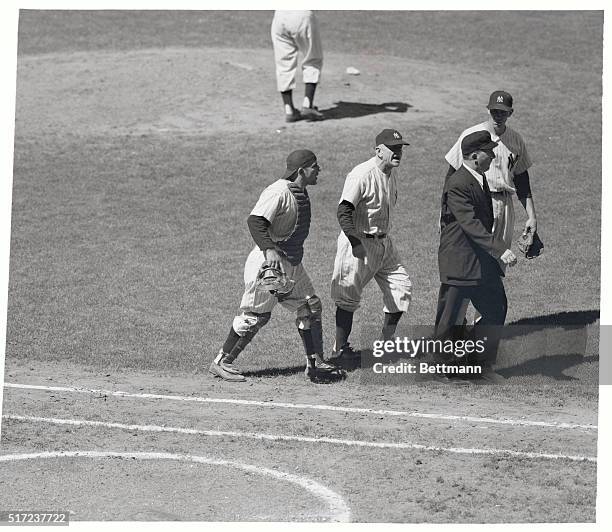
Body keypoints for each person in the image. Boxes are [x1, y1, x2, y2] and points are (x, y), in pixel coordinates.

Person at [210, 150, 335, 382]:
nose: (319, 170)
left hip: (291, 262)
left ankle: (314, 361)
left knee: (309, 306)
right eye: (315, 166)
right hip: (268, 262)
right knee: (255, 317)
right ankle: (221, 362)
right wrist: (269, 249)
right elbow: (255, 220)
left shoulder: (300, 191)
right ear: (301, 170)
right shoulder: (278, 191)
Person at [444, 90, 537, 324]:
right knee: (471, 264)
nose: (498, 116)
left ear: (510, 113)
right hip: (476, 203)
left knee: (494, 268)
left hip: (504, 205)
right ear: (488, 110)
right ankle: (459, 323)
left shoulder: (515, 140)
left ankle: (481, 326)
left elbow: (522, 180)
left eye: (503, 112)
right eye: (494, 111)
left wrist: (531, 217)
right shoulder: (472, 135)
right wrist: (444, 216)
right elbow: (452, 176)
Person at [434, 130, 517, 383]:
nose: (493, 155)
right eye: (489, 152)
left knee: (496, 307)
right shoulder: (458, 183)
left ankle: (476, 362)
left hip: (479, 261)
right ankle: (441, 367)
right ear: (473, 155)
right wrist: (500, 249)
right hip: (460, 261)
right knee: (450, 319)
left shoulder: (478, 178)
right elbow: (470, 224)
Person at [330, 129, 413, 363]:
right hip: (358, 243)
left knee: (401, 287)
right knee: (348, 297)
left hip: (384, 243)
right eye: (393, 148)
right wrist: (355, 242)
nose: (398, 152)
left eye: (400, 148)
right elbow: (344, 210)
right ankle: (340, 350)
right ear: (379, 150)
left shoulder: (390, 173)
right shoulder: (362, 174)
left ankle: (386, 342)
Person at [271, 11, 324, 123]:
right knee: (313, 58)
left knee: (284, 63)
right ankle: (307, 104)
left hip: (280, 15)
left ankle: (289, 109)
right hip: (302, 14)